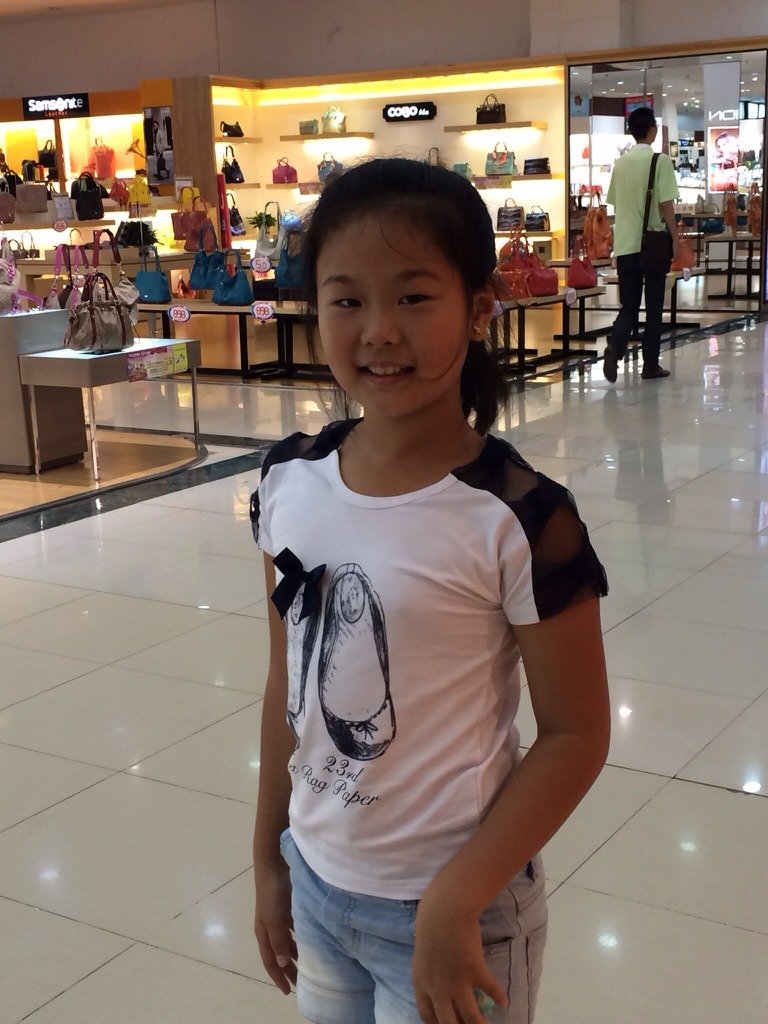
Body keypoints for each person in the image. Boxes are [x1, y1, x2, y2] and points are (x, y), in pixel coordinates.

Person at [251, 157, 610, 1024]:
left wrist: (457, 897)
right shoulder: (287, 480)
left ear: (479, 309)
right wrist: (269, 854)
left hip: (458, 912)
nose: (380, 331)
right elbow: (285, 684)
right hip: (318, 883)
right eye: (347, 300)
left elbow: (576, 733)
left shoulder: (521, 515)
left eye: (414, 297)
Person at [603, 106, 681, 382]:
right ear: (652, 131)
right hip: (653, 244)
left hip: (626, 245)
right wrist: (675, 237)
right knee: (654, 306)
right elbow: (666, 203)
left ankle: (615, 346)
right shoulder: (660, 161)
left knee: (630, 305)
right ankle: (650, 365)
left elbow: (615, 204)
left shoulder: (621, 163)